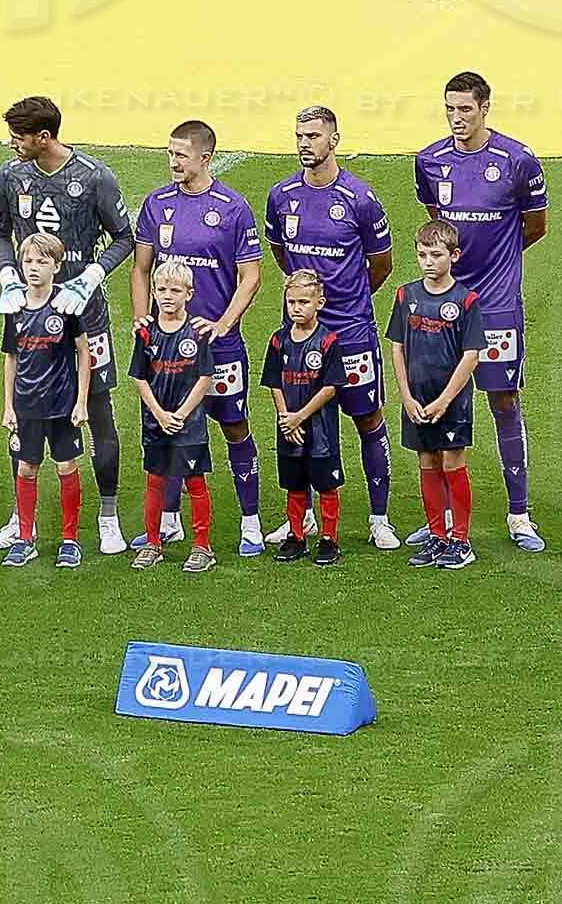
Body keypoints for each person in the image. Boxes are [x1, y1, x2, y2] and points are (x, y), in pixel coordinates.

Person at [0, 96, 137, 555]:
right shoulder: (11, 177)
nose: (12, 143)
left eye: (19, 136)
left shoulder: (94, 176)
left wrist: (92, 276)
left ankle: (108, 515)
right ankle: (21, 519)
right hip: (30, 310)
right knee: (27, 407)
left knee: (96, 408)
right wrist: (9, 272)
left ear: (43, 137)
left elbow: (126, 237)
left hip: (84, 312)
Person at [416, 71, 551, 550]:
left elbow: (534, 226)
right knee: (439, 398)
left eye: (465, 109)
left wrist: (501, 267)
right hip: (442, 305)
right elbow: (437, 227)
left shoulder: (518, 161)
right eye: (449, 109)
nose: (456, 118)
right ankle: (441, 517)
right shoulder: (430, 160)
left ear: (485, 107)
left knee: (504, 402)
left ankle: (519, 515)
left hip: (494, 307)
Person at [266, 103, 401, 550]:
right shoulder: (282, 196)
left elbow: (380, 264)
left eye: (314, 136)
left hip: (352, 333)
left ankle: (379, 518)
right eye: (300, 135)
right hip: (301, 338)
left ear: (334, 140)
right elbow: (282, 257)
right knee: (300, 422)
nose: (305, 143)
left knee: (367, 418)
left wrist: (348, 300)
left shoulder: (360, 199)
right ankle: (300, 518)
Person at [137, 121, 266, 556]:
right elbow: (141, 269)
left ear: (205, 157)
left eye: (181, 155)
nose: (172, 162)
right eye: (170, 154)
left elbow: (251, 276)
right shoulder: (156, 204)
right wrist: (143, 319)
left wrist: (225, 323)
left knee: (234, 425)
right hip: (168, 346)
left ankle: (251, 522)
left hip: (220, 347)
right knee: (168, 425)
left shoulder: (233, 208)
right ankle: (169, 522)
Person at [388, 219, 484, 569]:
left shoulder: (466, 300)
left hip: (451, 401)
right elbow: (397, 348)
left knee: (452, 462)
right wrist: (406, 396)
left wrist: (444, 400)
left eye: (435, 255)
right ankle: (437, 535)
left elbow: (471, 355)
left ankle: (461, 540)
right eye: (422, 254)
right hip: (417, 399)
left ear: (454, 256)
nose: (427, 261)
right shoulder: (406, 295)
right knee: (426, 461)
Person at [0, 229, 94, 568]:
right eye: (28, 260)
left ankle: (70, 540)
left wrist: (82, 400)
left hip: (62, 405)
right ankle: (26, 538)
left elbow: (84, 352)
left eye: (42, 261)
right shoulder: (16, 306)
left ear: (56, 266)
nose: (34, 267)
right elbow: (10, 358)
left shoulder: (67, 305)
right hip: (27, 407)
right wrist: (8, 405)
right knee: (27, 468)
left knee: (66, 466)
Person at [129, 258, 223, 574]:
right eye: (161, 289)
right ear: (153, 292)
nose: (167, 296)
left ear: (189, 294)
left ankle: (202, 547)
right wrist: (159, 413)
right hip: (156, 422)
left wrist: (180, 414)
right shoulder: (145, 334)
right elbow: (140, 377)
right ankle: (153, 544)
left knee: (195, 482)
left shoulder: (197, 333)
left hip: (188, 424)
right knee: (155, 481)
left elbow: (205, 377)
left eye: (175, 290)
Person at [263, 268, 347, 563]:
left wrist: (299, 416)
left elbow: (331, 387)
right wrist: (286, 418)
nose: (296, 308)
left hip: (319, 429)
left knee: (326, 484)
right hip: (289, 427)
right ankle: (296, 536)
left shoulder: (328, 341)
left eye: (303, 302)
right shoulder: (278, 340)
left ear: (319, 303)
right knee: (295, 484)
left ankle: (329, 539)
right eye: (291, 302)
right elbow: (273, 382)